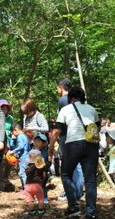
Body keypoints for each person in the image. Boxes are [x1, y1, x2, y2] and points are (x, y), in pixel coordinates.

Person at [48, 87, 100, 218]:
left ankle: (74, 206)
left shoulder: (65, 109)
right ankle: (91, 212)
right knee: (90, 180)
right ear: (83, 97)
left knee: (66, 174)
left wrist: (50, 147)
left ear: (70, 98)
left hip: (73, 144)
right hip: (91, 145)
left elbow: (57, 131)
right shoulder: (91, 109)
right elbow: (97, 127)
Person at [55, 78, 84, 202]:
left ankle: (70, 192)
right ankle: (78, 191)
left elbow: (62, 122)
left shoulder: (62, 100)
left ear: (61, 87)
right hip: (78, 135)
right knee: (78, 165)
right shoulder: (77, 100)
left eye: (57, 87)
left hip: (66, 135)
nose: (56, 90)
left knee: (68, 166)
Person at [0, 99, 15, 191]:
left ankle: (5, 178)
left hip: (8, 142)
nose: (4, 109)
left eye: (5, 107)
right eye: (2, 107)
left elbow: (13, 129)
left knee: (9, 161)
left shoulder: (10, 118)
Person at [8, 123, 30, 192]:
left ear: (16, 130)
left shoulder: (20, 137)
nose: (13, 134)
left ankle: (26, 189)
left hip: (23, 158)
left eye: (13, 132)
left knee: (22, 173)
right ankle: (25, 189)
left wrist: (12, 152)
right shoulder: (24, 136)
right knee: (23, 173)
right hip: (26, 156)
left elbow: (21, 146)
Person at [24, 149, 47, 216]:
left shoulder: (28, 166)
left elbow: (27, 173)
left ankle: (31, 211)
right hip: (37, 185)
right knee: (40, 198)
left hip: (28, 186)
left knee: (30, 199)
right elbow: (44, 174)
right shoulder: (40, 167)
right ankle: (41, 211)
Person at [33, 134, 50, 203]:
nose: (36, 144)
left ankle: (44, 198)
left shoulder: (43, 152)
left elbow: (43, 164)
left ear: (44, 143)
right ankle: (40, 198)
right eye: (35, 142)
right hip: (38, 172)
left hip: (42, 172)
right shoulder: (37, 151)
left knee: (42, 185)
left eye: (39, 142)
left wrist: (43, 171)